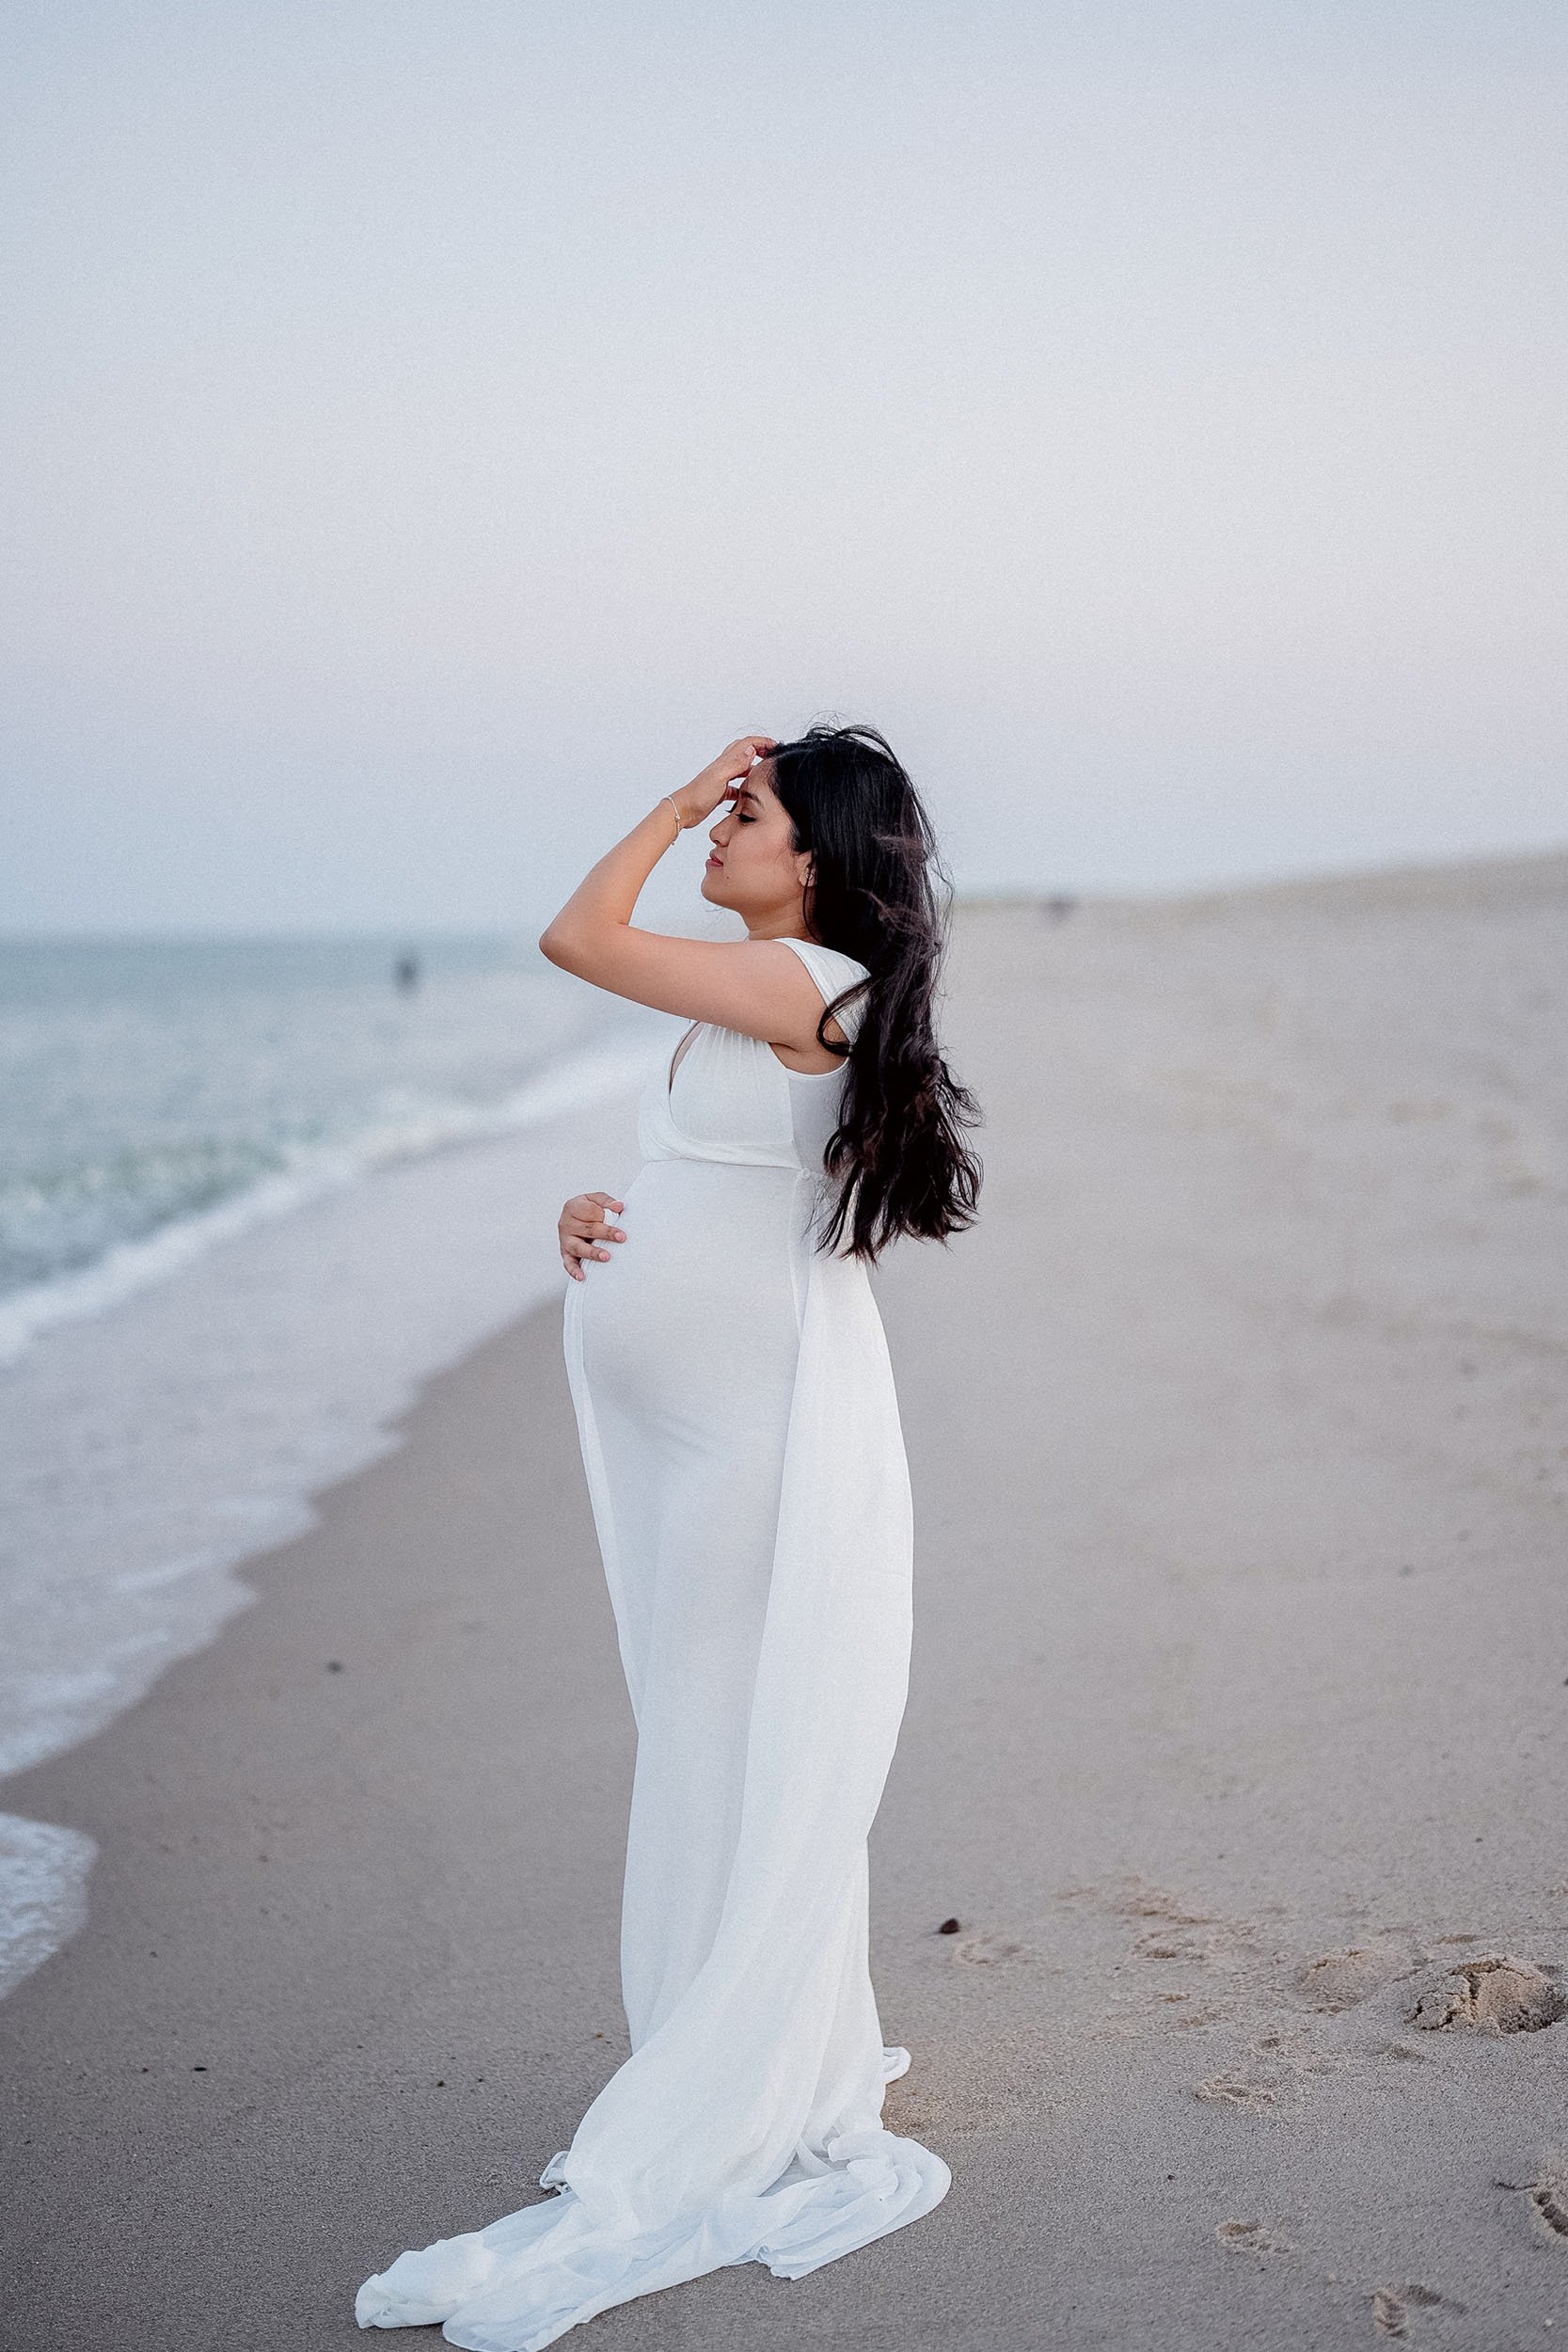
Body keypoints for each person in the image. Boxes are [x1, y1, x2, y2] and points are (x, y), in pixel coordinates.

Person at [356, 723, 983, 2351]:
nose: (718, 831)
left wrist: (658, 797)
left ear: (819, 857)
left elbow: (576, 936)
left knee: (722, 1727)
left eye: (743, 814)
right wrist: (595, 1210)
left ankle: (736, 2047)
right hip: (694, 1418)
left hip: (749, 1428)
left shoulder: (804, 978)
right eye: (716, 809)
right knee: (701, 1719)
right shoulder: (776, 983)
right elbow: (721, 1172)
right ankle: (735, 2015)